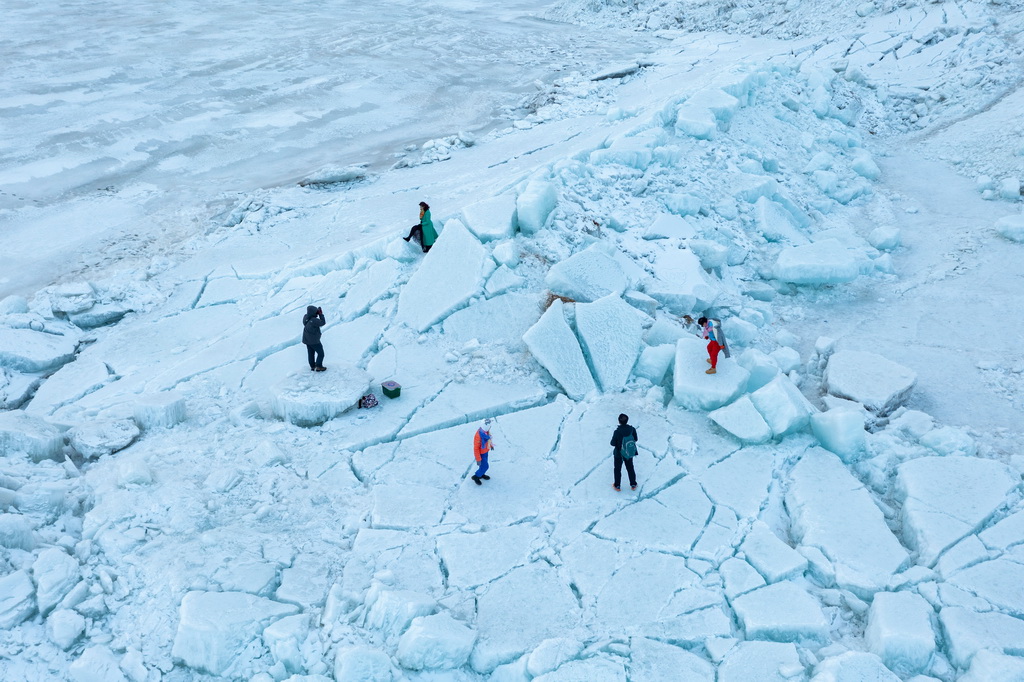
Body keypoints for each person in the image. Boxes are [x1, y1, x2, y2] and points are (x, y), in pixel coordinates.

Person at [610, 413, 638, 492]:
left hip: (619, 453)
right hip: (629, 452)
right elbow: (635, 439)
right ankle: (633, 484)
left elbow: (612, 443)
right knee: (630, 468)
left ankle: (617, 485)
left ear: (619, 421)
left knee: (617, 469)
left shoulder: (617, 432)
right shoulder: (632, 429)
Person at [302, 305, 327, 371]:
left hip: (307, 339)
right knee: (321, 353)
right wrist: (321, 314)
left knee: (311, 353)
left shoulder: (306, 317)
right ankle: (319, 366)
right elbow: (323, 322)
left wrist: (315, 313)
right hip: (314, 341)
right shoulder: (314, 320)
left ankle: (312, 366)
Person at [471, 418, 495, 485]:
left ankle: (481, 474)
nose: (490, 427)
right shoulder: (479, 436)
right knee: (485, 466)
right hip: (481, 454)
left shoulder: (486, 432)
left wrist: (491, 445)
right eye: (489, 426)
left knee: (483, 466)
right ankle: (476, 476)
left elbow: (488, 440)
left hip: (485, 451)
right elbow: (476, 448)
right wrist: (478, 459)